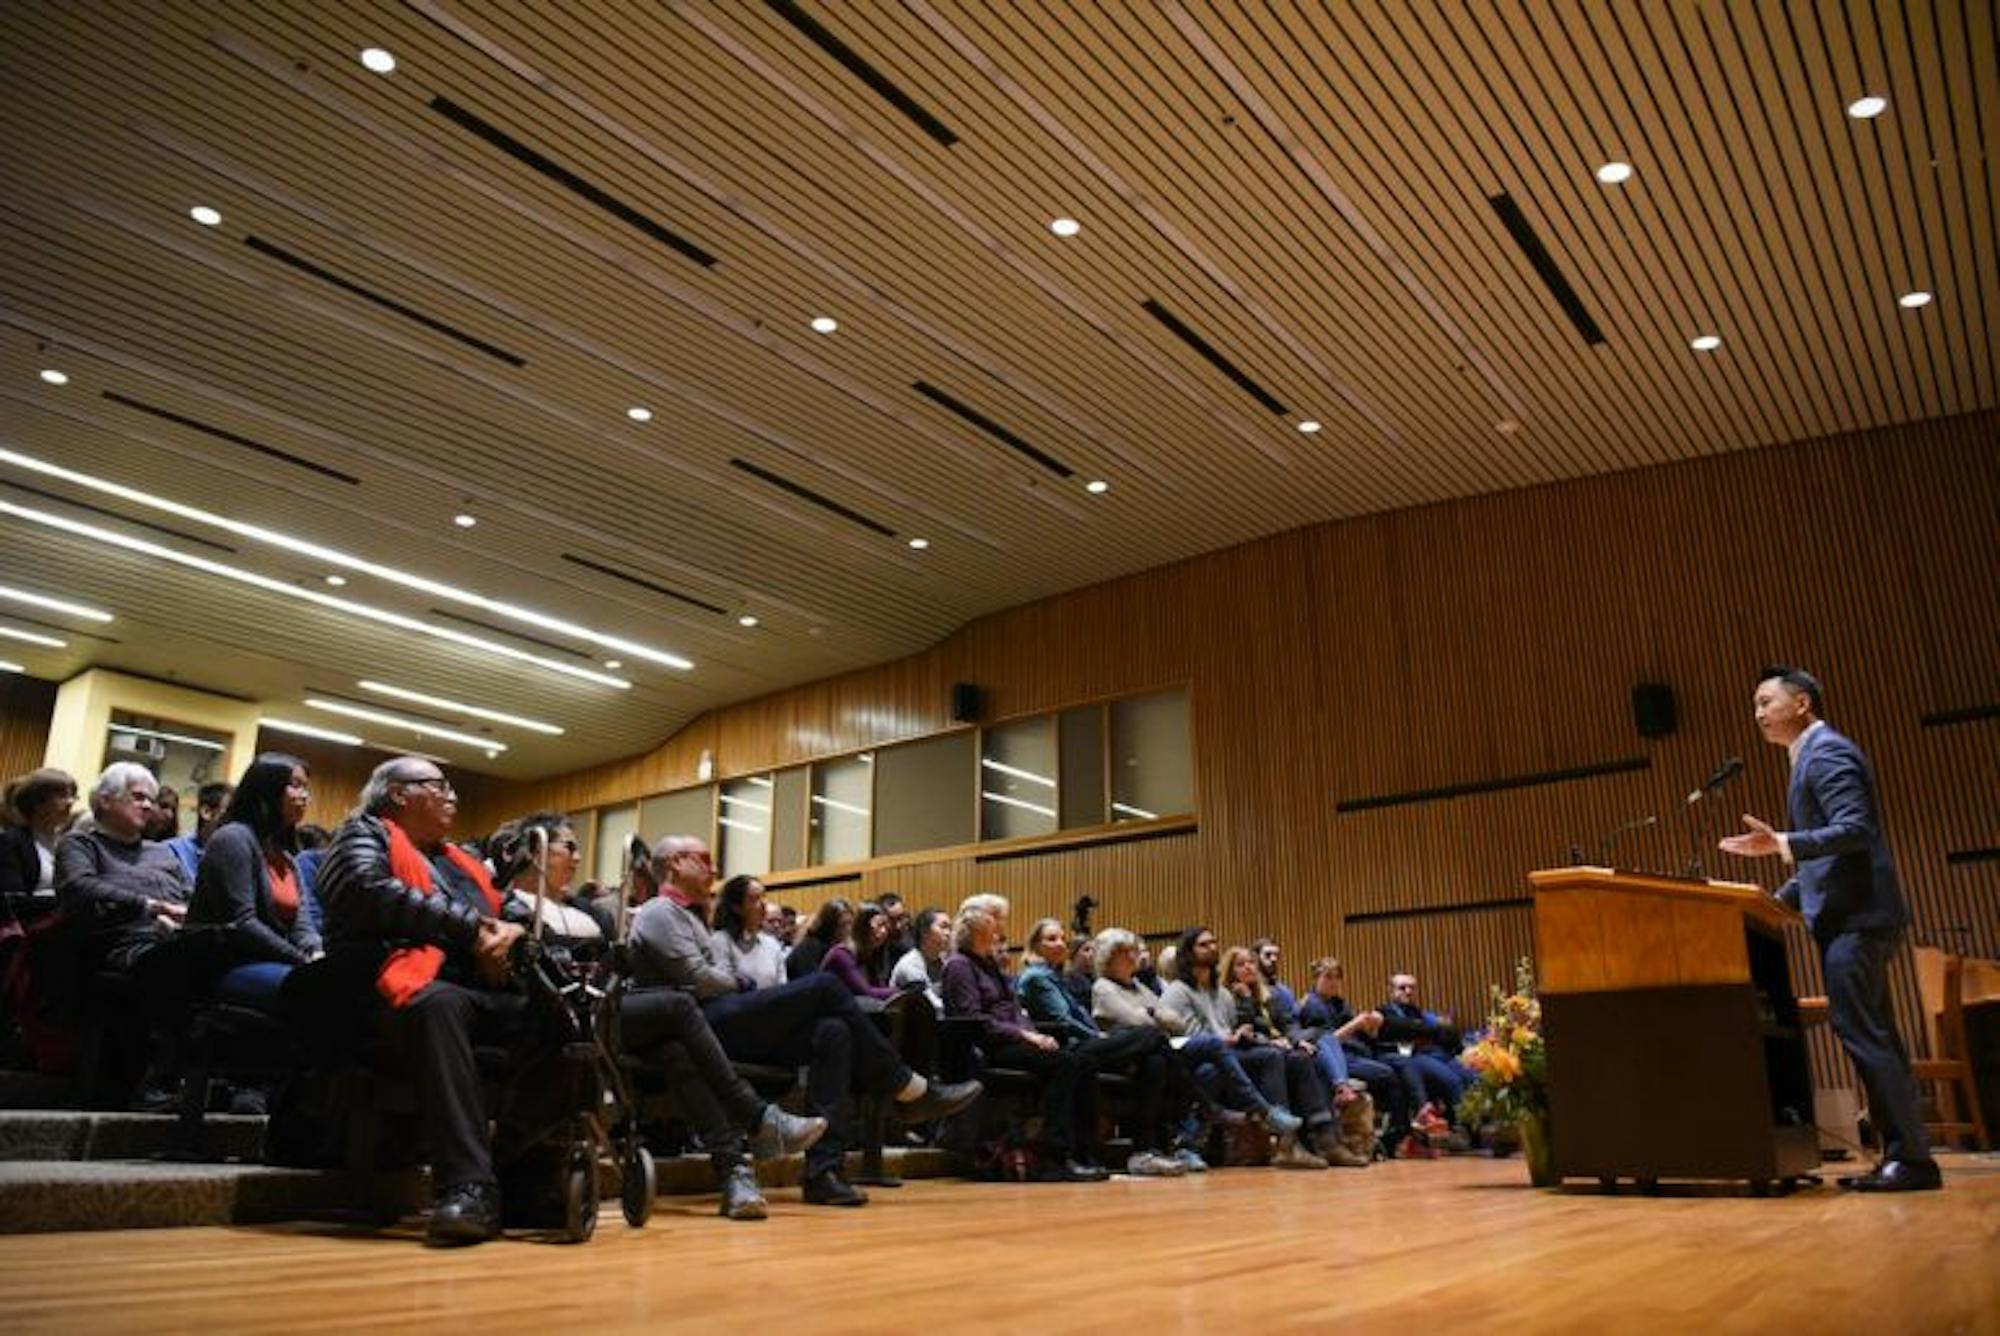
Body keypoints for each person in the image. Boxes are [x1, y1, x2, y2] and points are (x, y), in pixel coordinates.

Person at [494, 815, 827, 1221]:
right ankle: (755, 1118)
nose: (579, 858)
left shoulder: (588, 914)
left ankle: (735, 1171)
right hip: (549, 1016)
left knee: (676, 1051)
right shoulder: (509, 907)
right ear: (536, 852)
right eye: (569, 847)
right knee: (680, 1005)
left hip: (607, 1014)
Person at [629, 836, 980, 1207]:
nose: (713, 868)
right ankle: (902, 1085)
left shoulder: (691, 917)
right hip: (697, 1027)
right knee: (826, 986)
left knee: (834, 1031)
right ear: (674, 864)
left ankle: (823, 1172)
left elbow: (712, 976)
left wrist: (736, 983)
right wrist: (739, 981)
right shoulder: (658, 911)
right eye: (702, 859)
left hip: (722, 1020)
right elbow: (698, 980)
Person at [1719, 665, 1940, 1193]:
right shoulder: (1807, 758)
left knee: (1863, 1031)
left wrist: (1784, 843)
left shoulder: (1828, 752)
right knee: (1873, 1031)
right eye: (1754, 705)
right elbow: (1827, 855)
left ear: (1801, 704)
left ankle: (1910, 1158)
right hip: (1854, 917)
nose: (1757, 715)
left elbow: (1855, 830)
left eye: (1765, 702)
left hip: (1858, 918)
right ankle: (1906, 1154)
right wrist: (1772, 903)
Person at [313, 757, 533, 1244]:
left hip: (483, 987)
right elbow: (364, 890)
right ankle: (467, 1187)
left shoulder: (463, 859)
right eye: (440, 786)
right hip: (399, 988)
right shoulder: (360, 835)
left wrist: (514, 932)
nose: (453, 796)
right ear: (398, 794)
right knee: (439, 1006)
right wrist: (472, 930)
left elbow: (512, 910)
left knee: (567, 1017)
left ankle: (528, 1171)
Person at [940, 898, 1109, 1182]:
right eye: (992, 933)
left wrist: (1037, 1034)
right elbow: (974, 1019)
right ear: (978, 935)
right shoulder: (959, 966)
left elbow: (1014, 1010)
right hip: (989, 1046)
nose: (998, 938)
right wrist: (1026, 1035)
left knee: (1086, 1061)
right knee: (1066, 1064)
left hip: (1014, 1041)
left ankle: (1083, 1151)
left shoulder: (989, 964)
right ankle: (1055, 1156)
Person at [1017, 919, 1184, 1177]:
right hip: (1074, 1047)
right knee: (1152, 1035)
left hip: (1090, 1044)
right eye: (1051, 939)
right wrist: (1099, 1037)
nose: (1061, 943)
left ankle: (1145, 1151)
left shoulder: (1056, 977)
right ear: (1034, 947)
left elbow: (1177, 1021)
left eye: (1062, 937)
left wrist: (1100, 1036)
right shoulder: (1037, 978)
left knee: (1156, 1061)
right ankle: (1190, 1116)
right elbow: (1064, 1021)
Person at [1158, 926, 1301, 1137]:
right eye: (1203, 945)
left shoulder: (1222, 993)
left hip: (1227, 1052)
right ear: (1188, 953)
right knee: (1211, 1071)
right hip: (1196, 1059)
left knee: (1271, 1055)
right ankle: (1265, 1113)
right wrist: (1228, 1038)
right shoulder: (1177, 992)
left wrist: (1245, 1033)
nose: (1212, 947)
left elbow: (1233, 1029)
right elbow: (1189, 1037)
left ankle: (1283, 1136)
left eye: (1214, 942)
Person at [1222, 945, 1334, 1168]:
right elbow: (1242, 1031)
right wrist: (1244, 1000)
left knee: (1302, 1057)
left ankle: (1324, 1138)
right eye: (1240, 964)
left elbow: (1287, 1024)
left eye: (1251, 962)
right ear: (1230, 970)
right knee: (1275, 1055)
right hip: (1244, 1054)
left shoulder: (1268, 995)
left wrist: (1296, 1040)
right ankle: (1286, 1142)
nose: (1248, 967)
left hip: (1272, 1049)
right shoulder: (1229, 996)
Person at [1297, 957, 1406, 1155]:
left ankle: (1393, 1133)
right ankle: (1392, 1137)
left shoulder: (1339, 1003)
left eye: (1337, 977)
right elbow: (1327, 1041)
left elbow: (1363, 1036)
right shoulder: (1312, 1005)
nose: (1333, 982)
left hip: (1357, 1053)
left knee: (1402, 1067)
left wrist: (1371, 1025)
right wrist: (1356, 1023)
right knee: (1388, 1076)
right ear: (1316, 979)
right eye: (1327, 977)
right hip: (1336, 1059)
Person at [1, 767, 77, 909]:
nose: (70, 802)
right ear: (36, 802)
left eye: (72, 796)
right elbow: (11, 900)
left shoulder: (69, 843)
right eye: (62, 796)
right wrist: (65, 901)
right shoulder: (11, 842)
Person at [711, 875, 786, 992]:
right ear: (737, 908)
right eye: (755, 899)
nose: (764, 904)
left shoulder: (772, 944)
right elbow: (723, 989)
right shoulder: (721, 941)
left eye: (764, 896)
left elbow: (783, 987)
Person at [165, 781, 235, 883]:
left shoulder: (237, 858)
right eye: (229, 814)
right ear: (206, 812)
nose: (235, 824)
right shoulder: (173, 851)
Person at [888, 907, 950, 1013]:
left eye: (950, 928)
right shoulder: (910, 964)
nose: (948, 933)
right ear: (924, 932)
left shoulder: (943, 961)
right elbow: (930, 1005)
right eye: (943, 927)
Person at [786, 897, 852, 980]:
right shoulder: (810, 946)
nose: (848, 930)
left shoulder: (841, 946)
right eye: (842, 926)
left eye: (850, 923)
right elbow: (812, 983)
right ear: (829, 926)